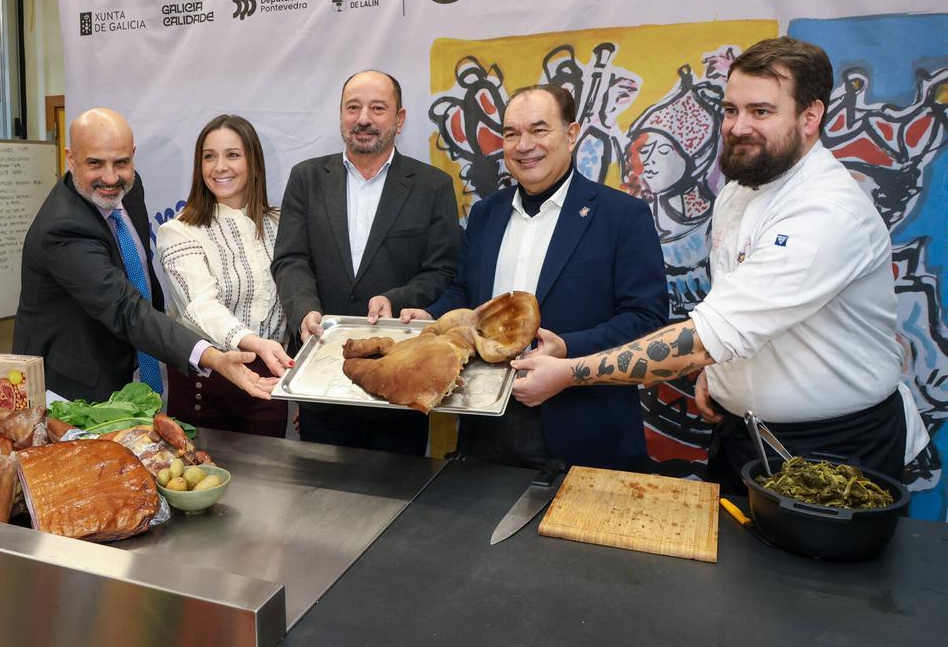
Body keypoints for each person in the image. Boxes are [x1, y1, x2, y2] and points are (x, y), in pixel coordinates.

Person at [509, 38, 931, 490]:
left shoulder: (826, 212)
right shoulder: (741, 189)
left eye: (761, 111)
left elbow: (706, 339)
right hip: (742, 434)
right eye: (731, 110)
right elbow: (740, 309)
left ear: (810, 117)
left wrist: (570, 372)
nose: (738, 127)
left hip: (837, 448)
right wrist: (724, 374)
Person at [396, 85, 668, 470]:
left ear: (571, 135)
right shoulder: (485, 214)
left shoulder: (622, 217)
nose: (524, 145)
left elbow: (646, 320)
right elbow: (464, 293)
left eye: (539, 130)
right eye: (511, 133)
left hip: (580, 426)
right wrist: (433, 317)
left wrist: (566, 350)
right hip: (485, 421)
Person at [13, 107, 280, 403]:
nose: (111, 177)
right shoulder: (63, 228)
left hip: (127, 370)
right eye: (95, 163)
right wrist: (212, 357)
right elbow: (126, 308)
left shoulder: (130, 187)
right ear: (71, 159)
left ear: (133, 155)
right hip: (72, 387)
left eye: (121, 162)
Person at [272, 70, 460, 455]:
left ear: (400, 118)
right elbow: (291, 258)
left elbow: (443, 270)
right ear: (341, 114)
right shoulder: (306, 178)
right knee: (320, 497)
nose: (363, 119)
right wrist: (303, 309)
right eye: (353, 107)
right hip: (322, 370)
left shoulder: (433, 186)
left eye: (378, 108)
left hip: (400, 377)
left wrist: (398, 297)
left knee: (399, 496)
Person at [156, 115, 293, 437]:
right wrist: (255, 343)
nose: (219, 167)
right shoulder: (177, 231)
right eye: (209, 156)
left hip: (270, 383)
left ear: (255, 163)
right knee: (200, 482)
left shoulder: (283, 224)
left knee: (271, 485)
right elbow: (200, 306)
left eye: (233, 155)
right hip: (205, 385)